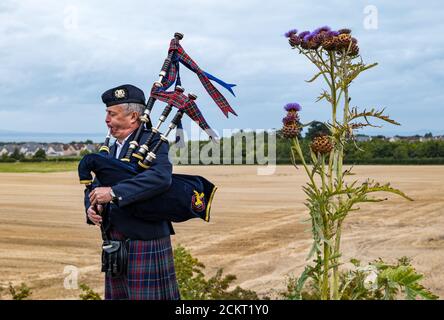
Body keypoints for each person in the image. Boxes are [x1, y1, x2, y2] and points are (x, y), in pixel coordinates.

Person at [84, 84, 180, 300]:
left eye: (112, 114)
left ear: (133, 116)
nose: (106, 120)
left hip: (145, 238)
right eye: (107, 113)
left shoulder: (154, 142)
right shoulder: (108, 148)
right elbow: (95, 184)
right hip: (114, 241)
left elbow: (160, 178)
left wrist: (114, 192)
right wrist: (90, 206)